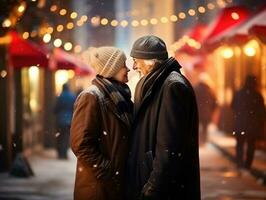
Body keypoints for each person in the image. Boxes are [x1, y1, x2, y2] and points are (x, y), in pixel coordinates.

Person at [126, 35, 201, 200]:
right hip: (155, 180)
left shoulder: (172, 86)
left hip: (165, 189)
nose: (133, 66)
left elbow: (169, 147)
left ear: (150, 61)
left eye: (136, 60)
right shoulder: (157, 83)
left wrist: (152, 188)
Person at [70, 46, 133, 200]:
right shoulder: (91, 96)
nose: (128, 69)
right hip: (98, 188)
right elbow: (80, 144)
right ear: (111, 68)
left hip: (115, 185)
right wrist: (107, 170)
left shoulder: (120, 97)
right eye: (123, 65)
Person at [231, 75, 265, 169]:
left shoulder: (238, 93)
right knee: (251, 144)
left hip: (240, 124)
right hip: (252, 125)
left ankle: (239, 162)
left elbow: (233, 106)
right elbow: (262, 111)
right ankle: (247, 165)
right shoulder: (257, 95)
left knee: (240, 144)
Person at [194, 73, 217, 145]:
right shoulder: (210, 90)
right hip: (206, 113)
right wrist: (211, 111)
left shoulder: (195, 88)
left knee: (197, 127)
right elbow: (215, 102)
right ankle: (203, 141)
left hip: (197, 112)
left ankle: (198, 141)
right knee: (205, 127)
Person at [54, 83, 76, 159]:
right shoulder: (72, 96)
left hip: (60, 120)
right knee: (66, 138)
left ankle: (60, 154)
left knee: (59, 137)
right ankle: (65, 153)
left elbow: (56, 108)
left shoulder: (60, 96)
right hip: (69, 120)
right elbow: (75, 108)